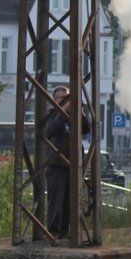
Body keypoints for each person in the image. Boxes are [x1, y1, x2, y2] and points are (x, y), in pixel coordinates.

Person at [44, 86, 73, 239]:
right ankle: (53, 230)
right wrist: (63, 113)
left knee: (69, 201)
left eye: (67, 98)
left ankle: (65, 230)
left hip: (71, 165)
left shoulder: (73, 117)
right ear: (55, 100)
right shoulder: (51, 116)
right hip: (56, 164)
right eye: (62, 98)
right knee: (56, 200)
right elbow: (51, 130)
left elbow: (86, 128)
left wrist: (78, 112)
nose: (66, 102)